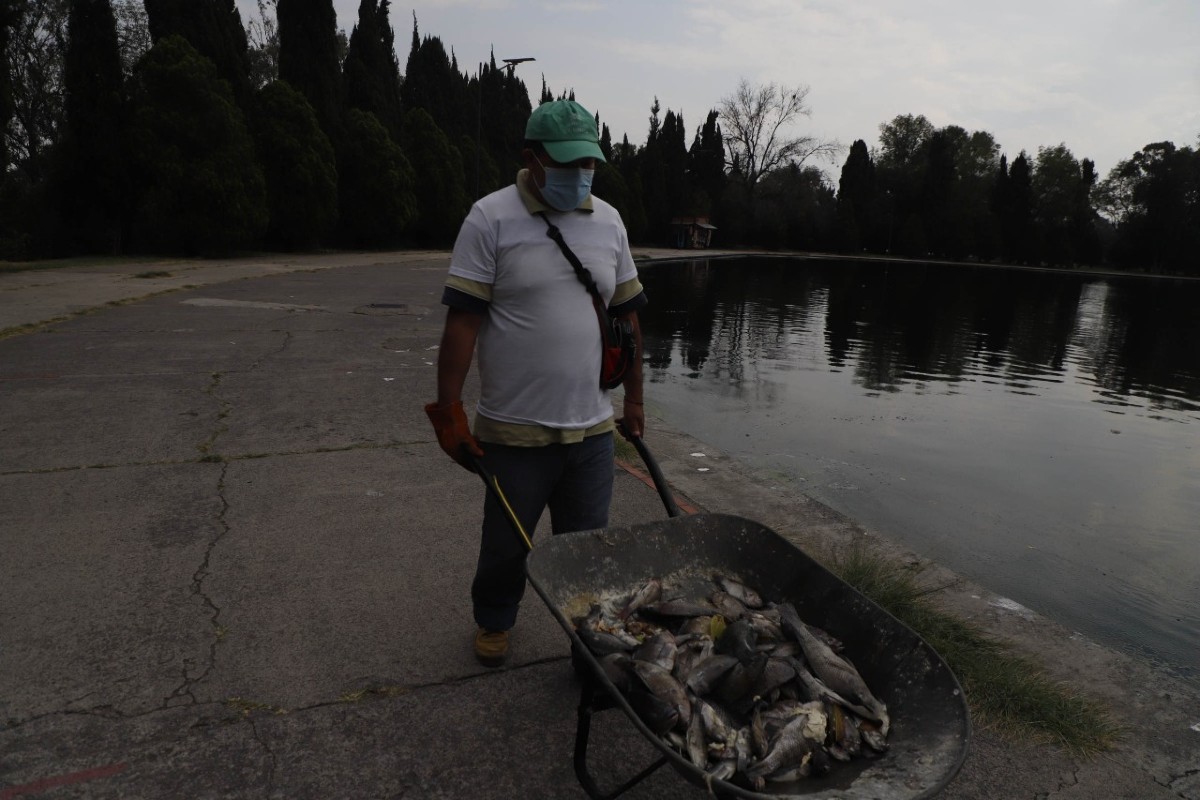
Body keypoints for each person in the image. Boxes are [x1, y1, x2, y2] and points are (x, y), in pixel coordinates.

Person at [424, 100, 647, 667]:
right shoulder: (490, 218)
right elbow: (464, 321)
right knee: (505, 545)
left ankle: (587, 647)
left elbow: (629, 316)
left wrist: (636, 399)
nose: (581, 176)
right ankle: (494, 621)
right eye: (569, 164)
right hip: (513, 430)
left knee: (587, 552)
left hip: (593, 432)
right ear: (532, 159)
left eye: (589, 165)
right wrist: (448, 410)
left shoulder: (610, 221)